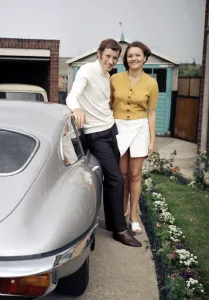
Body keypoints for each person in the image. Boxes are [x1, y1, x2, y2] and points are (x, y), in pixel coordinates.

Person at [66, 39, 142, 247]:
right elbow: (72, 95)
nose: (110, 61)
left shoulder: (107, 76)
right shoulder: (87, 70)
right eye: (107, 56)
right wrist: (77, 109)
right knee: (117, 178)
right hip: (95, 135)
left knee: (112, 180)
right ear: (99, 54)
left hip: (110, 130)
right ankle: (120, 230)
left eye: (114, 58)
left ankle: (111, 223)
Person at [110, 41, 159, 234]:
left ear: (145, 58)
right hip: (120, 127)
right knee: (122, 175)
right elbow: (108, 103)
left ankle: (133, 216)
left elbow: (152, 113)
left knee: (135, 174)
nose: (134, 58)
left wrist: (152, 140)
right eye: (130, 55)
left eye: (138, 55)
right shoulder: (114, 79)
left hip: (140, 128)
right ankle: (121, 212)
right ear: (126, 59)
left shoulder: (151, 83)